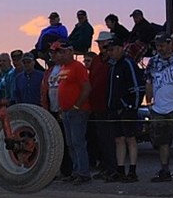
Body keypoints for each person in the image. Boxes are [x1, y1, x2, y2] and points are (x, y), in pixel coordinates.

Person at [145, 32, 173, 183]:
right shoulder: (153, 62)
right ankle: (165, 169)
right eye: (158, 46)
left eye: (163, 45)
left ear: (170, 44)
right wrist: (149, 101)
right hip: (158, 108)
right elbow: (149, 82)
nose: (160, 48)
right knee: (162, 141)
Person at [50, 39, 92, 185]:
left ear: (69, 51)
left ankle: (83, 173)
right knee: (71, 143)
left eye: (61, 52)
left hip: (77, 111)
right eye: (57, 52)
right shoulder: (63, 68)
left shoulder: (78, 67)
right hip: (67, 111)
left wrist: (76, 106)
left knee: (78, 142)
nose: (58, 55)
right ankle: (76, 171)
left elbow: (86, 88)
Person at [105, 36, 145, 183]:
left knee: (130, 139)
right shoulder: (113, 66)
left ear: (121, 48)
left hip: (127, 109)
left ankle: (133, 171)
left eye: (112, 49)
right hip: (114, 109)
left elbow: (137, 87)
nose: (110, 53)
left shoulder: (128, 64)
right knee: (118, 139)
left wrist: (130, 106)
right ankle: (120, 169)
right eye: (108, 50)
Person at [88, 31, 119, 182]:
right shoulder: (96, 60)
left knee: (109, 139)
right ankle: (105, 167)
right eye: (100, 43)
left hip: (108, 105)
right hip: (97, 105)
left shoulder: (113, 61)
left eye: (104, 43)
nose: (102, 46)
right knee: (101, 139)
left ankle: (112, 169)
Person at [40, 54, 72, 178]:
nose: (51, 58)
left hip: (63, 110)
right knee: (54, 142)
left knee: (67, 141)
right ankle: (57, 170)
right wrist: (45, 108)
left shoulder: (66, 68)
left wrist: (65, 106)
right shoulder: (49, 71)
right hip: (51, 110)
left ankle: (69, 170)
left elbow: (66, 88)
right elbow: (44, 90)